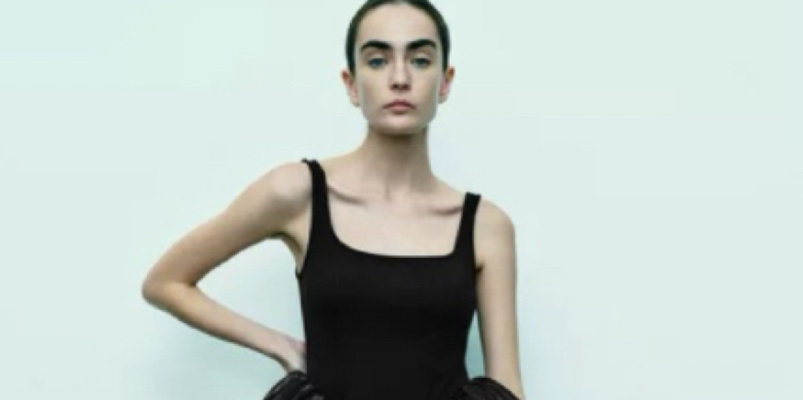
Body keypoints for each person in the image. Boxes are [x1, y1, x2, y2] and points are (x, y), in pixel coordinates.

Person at [141, 1, 525, 399]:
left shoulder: (486, 225)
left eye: (420, 60)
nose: (399, 78)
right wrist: (279, 346)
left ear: (445, 82)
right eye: (377, 61)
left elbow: (508, 387)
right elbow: (165, 282)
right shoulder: (297, 192)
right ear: (351, 84)